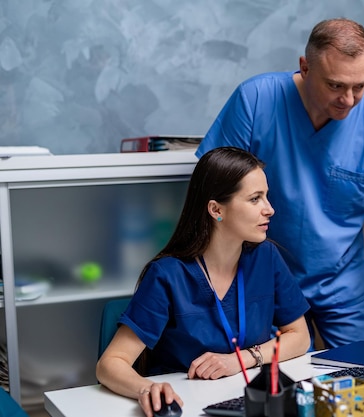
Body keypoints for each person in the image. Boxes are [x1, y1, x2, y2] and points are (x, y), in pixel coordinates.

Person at [195, 18, 364, 347]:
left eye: (360, 86)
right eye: (336, 85)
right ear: (305, 68)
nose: (349, 100)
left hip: (343, 281)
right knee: (275, 388)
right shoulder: (256, 100)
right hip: (261, 276)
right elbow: (213, 192)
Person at [96, 147, 310, 417]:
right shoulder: (168, 275)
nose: (270, 209)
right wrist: (145, 389)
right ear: (216, 209)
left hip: (247, 400)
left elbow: (300, 337)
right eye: (255, 199)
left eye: (266, 197)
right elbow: (111, 363)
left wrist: (239, 360)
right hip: (189, 405)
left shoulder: (266, 256)